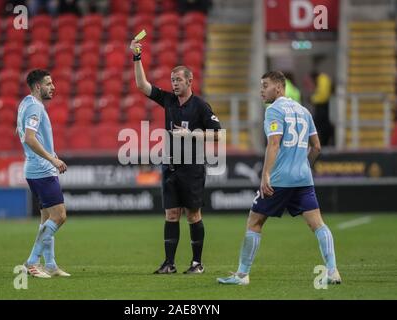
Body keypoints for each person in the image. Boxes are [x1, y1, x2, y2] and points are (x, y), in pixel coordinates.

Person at [217, 71, 341, 286]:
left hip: (280, 179)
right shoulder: (304, 111)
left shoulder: (274, 110)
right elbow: (317, 147)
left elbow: (274, 144)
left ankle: (242, 275)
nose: (261, 90)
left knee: (255, 222)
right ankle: (332, 271)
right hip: (303, 178)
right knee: (318, 224)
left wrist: (265, 174)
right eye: (261, 86)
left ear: (279, 87)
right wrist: (304, 166)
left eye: (265, 85)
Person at [129, 38, 221, 274]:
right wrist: (137, 57)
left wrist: (191, 134)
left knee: (193, 215)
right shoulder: (168, 100)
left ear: (190, 81)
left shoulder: (201, 106)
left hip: (192, 168)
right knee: (171, 215)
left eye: (178, 80)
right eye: (172, 80)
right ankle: (169, 264)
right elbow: (142, 85)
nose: (174, 84)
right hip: (170, 166)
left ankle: (197, 263)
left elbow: (218, 135)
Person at [16, 69, 70, 278]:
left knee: (46, 218)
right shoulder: (35, 108)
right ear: (38, 86)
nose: (53, 86)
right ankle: (31, 262)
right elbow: (29, 137)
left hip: (37, 168)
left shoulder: (25, 103)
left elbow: (20, 132)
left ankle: (51, 265)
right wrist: (53, 159)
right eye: (48, 83)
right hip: (42, 170)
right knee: (60, 216)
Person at [310, 71, 334, 146]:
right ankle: (323, 142)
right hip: (323, 106)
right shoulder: (323, 79)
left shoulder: (322, 80)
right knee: (323, 125)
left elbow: (323, 96)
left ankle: (320, 143)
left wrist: (313, 99)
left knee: (318, 125)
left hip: (322, 106)